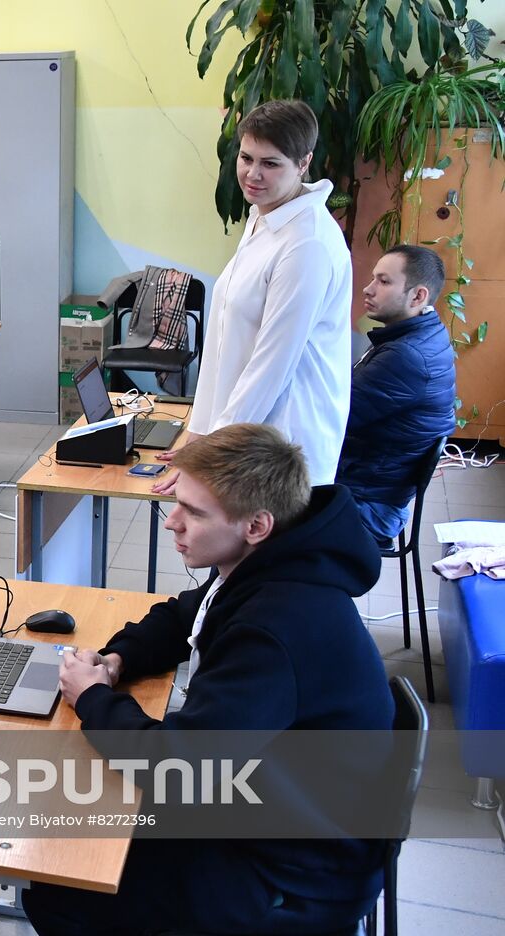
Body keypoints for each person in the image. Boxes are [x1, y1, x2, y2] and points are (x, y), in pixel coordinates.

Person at [24, 423, 392, 936]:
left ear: (256, 526)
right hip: (272, 810)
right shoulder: (272, 562)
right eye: (178, 501)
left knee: (65, 889)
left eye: (193, 512)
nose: (172, 522)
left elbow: (180, 769)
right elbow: (183, 617)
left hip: (293, 874)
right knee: (73, 847)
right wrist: (118, 660)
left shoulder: (276, 627)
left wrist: (94, 700)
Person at [156, 100, 351, 492]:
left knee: (259, 553)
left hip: (282, 445)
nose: (252, 174)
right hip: (242, 431)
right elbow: (225, 340)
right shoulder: (265, 215)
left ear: (303, 163)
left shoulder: (306, 244)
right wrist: (198, 433)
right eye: (246, 157)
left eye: (271, 163)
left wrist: (213, 448)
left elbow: (270, 367)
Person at [336, 245, 456, 545]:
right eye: (374, 278)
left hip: (368, 506)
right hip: (372, 489)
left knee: (245, 501)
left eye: (384, 281)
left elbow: (332, 418)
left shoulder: (406, 356)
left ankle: (229, 592)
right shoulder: (418, 334)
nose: (368, 288)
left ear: (418, 296)